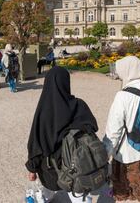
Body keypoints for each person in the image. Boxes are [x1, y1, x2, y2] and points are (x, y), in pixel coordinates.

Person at [26, 66, 97, 202]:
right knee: (80, 195)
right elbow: (93, 127)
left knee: (45, 189)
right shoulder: (79, 105)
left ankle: (45, 197)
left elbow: (36, 144)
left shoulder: (45, 111)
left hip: (52, 171)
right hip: (80, 166)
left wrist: (32, 169)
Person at [103, 56, 140, 202]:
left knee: (123, 187)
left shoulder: (122, 96)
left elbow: (114, 130)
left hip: (126, 151)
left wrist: (106, 152)